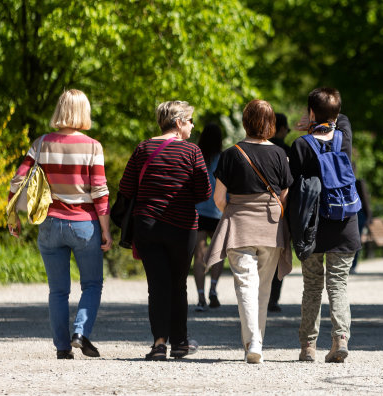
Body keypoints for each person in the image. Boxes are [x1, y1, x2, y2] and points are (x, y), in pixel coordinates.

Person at [7, 89, 111, 360]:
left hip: (50, 224)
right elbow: (99, 192)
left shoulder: (41, 144)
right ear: (83, 112)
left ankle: (63, 348)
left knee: (58, 290)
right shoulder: (93, 146)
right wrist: (107, 230)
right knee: (91, 284)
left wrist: (13, 215)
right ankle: (80, 332)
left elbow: (17, 181)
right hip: (84, 225)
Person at [118, 100, 212, 361]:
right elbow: (204, 192)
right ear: (179, 122)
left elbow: (126, 188)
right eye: (190, 120)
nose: (193, 126)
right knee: (178, 285)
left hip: (147, 225)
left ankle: (159, 344)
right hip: (182, 227)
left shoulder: (142, 148)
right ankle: (180, 342)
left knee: (157, 286)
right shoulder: (193, 152)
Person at [205, 100, 292, 364]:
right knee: (263, 289)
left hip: (239, 224)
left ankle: (253, 341)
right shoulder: (279, 154)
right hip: (270, 226)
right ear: (271, 124)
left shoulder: (231, 154)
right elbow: (285, 196)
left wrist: (234, 210)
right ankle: (256, 341)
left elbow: (218, 198)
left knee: (245, 284)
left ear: (245, 122)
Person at [288, 87, 360, 363]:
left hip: (313, 228)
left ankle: (308, 346)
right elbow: (341, 119)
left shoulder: (301, 145)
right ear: (336, 113)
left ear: (310, 113)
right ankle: (340, 338)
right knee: (338, 284)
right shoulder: (344, 137)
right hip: (345, 222)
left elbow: (294, 191)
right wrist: (321, 118)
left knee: (312, 285)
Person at [193, 123, 224, 311]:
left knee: (199, 255)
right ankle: (213, 288)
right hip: (218, 211)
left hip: (198, 211)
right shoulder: (223, 159)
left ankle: (200, 296)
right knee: (219, 254)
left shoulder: (196, 157)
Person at [267, 112, 290, 313]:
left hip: (256, 209)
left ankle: (261, 296)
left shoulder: (258, 147)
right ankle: (273, 298)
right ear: (281, 128)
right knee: (279, 256)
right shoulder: (286, 151)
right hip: (281, 210)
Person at [349, 178, 374, 274]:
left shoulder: (343, 181)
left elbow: (365, 199)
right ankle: (352, 265)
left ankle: (352, 264)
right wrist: (369, 215)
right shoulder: (359, 182)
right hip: (359, 213)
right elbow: (366, 200)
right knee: (356, 240)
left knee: (353, 241)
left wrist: (368, 215)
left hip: (355, 213)